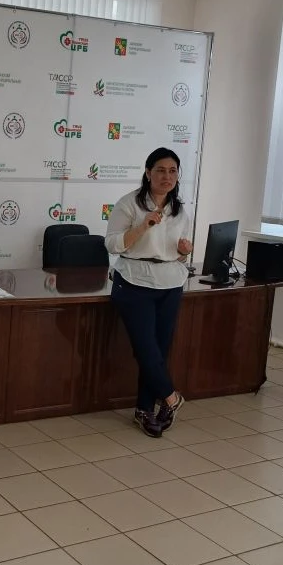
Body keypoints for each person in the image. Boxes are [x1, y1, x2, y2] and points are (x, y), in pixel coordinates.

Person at [105, 147, 193, 438]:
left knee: (157, 351)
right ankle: (171, 397)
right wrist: (143, 226)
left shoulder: (179, 210)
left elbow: (175, 253)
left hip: (170, 283)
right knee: (144, 347)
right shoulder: (129, 203)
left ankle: (144, 409)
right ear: (147, 173)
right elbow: (112, 244)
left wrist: (183, 252)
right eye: (160, 170)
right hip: (133, 281)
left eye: (173, 171)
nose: (167, 176)